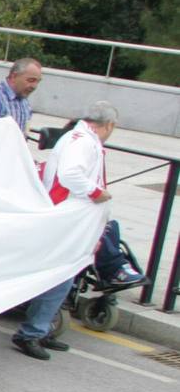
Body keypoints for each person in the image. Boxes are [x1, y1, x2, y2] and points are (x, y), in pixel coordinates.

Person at [18, 102, 143, 359]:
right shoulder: (83, 141)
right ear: (108, 125)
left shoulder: (80, 138)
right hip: (69, 221)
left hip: (71, 220)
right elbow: (70, 174)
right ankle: (31, 332)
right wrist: (97, 193)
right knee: (60, 278)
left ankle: (38, 329)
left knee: (63, 279)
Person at [0, 57, 43, 134]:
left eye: (37, 82)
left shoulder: (24, 102)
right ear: (14, 77)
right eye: (31, 80)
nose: (34, 86)